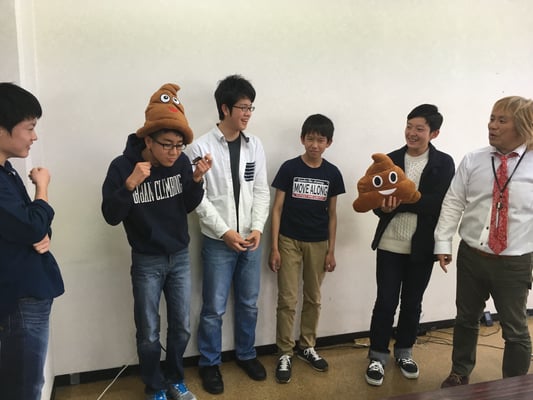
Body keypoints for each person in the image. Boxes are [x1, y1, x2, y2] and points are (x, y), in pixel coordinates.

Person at [101, 83, 210, 400]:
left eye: (179, 145)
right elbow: (111, 215)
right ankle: (154, 385)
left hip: (179, 256)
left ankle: (175, 379)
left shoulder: (181, 163)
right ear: (148, 140)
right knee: (149, 331)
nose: (174, 152)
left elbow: (186, 205)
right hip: (147, 260)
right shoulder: (122, 167)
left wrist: (196, 180)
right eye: (167, 145)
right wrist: (130, 185)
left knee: (181, 326)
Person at [435, 96, 533, 388]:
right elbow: (453, 202)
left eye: (502, 120)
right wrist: (443, 243)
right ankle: (459, 372)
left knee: (515, 329)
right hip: (472, 257)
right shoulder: (473, 160)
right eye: (492, 118)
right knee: (466, 319)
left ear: (523, 126)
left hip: (514, 262)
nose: (492, 125)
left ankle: (514, 387)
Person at [187, 75, 270, 395]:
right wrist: (224, 233)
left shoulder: (255, 145)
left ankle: (246, 354)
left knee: (249, 303)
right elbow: (199, 199)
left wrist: (258, 227)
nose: (248, 113)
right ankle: (209, 362)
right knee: (214, 308)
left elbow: (260, 190)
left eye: (251, 108)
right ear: (225, 108)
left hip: (251, 239)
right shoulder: (201, 147)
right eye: (243, 107)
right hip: (218, 242)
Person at [364, 104, 455, 387]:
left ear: (434, 133)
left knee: (412, 303)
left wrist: (403, 201)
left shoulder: (443, 163)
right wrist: (386, 207)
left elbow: (438, 203)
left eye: (419, 129)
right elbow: (376, 202)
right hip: (389, 244)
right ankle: (377, 355)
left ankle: (404, 352)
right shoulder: (390, 160)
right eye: (409, 126)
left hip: (422, 247)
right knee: (385, 302)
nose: (412, 133)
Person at [268, 114, 346, 384]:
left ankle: (307, 345)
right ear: (302, 139)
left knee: (313, 297)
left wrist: (331, 250)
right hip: (288, 241)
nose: (314, 144)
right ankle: (284, 351)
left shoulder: (332, 173)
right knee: (287, 299)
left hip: (318, 242)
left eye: (320, 140)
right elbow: (277, 209)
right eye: (310, 139)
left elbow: (333, 214)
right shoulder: (289, 168)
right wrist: (274, 247)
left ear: (329, 143)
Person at [0, 82, 65, 400]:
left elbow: (32, 226)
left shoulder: (7, 171)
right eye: (29, 128)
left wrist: (43, 234)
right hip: (20, 298)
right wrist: (42, 186)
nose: (34, 136)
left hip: (29, 292)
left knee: (26, 382)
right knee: (24, 387)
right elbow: (30, 226)